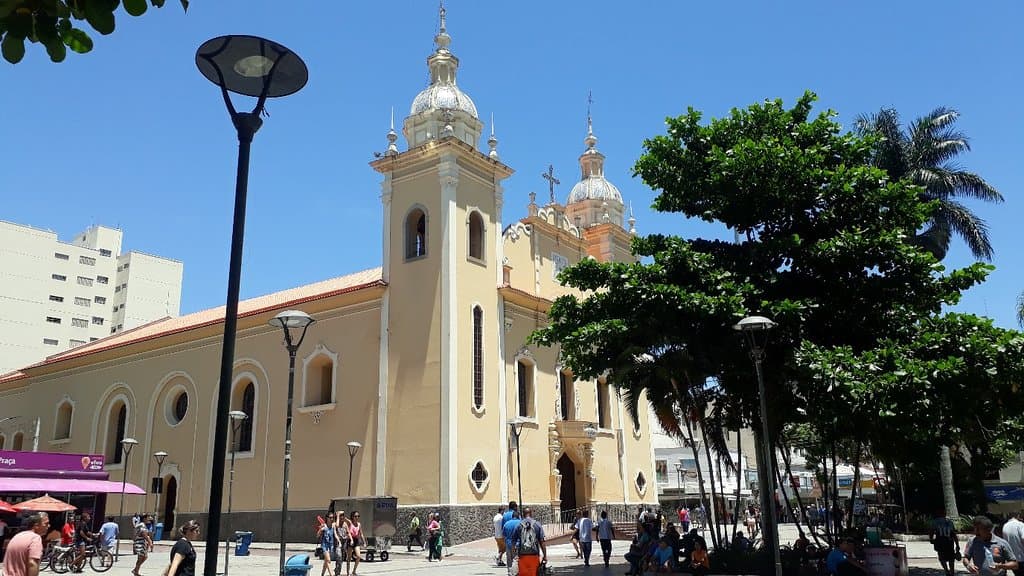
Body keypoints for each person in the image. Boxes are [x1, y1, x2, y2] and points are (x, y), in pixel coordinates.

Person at [3, 512, 48, 576]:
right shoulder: (35, 538)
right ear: (36, 526)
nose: (48, 526)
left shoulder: (17, 536)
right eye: (46, 524)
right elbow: (32, 563)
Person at [514, 508, 546, 576]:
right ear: (531, 513)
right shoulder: (537, 524)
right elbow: (542, 542)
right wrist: (545, 556)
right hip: (534, 555)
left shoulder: (519, 525)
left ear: (523, 514)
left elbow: (514, 541)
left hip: (522, 556)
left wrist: (515, 554)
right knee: (534, 573)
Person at [930, 510, 960, 576]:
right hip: (949, 542)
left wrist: (931, 539)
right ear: (945, 514)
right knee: (951, 559)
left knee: (942, 558)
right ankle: (952, 572)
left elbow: (931, 531)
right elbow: (953, 534)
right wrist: (957, 544)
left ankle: (946, 571)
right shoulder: (949, 522)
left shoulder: (935, 522)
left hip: (940, 542)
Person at [1002, 512, 1024, 576]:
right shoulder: (1020, 525)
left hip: (1012, 560)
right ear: (1018, 516)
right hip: (1022, 558)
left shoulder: (1005, 526)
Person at [501, 509, 521, 576]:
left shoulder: (506, 524)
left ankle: (510, 572)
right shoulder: (521, 523)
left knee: (509, 559)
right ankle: (517, 572)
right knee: (517, 559)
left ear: (512, 516)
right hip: (518, 544)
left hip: (508, 543)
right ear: (518, 516)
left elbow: (503, 535)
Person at [335, 511, 352, 576]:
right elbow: (337, 526)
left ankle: (337, 571)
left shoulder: (345, 524)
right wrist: (338, 515)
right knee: (339, 556)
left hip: (344, 542)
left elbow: (348, 532)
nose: (342, 518)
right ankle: (337, 572)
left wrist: (351, 539)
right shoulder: (336, 523)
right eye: (340, 516)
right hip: (338, 542)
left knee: (342, 558)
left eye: (343, 516)